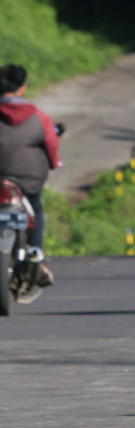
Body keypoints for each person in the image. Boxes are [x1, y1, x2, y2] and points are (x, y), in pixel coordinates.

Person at [0, 64, 60, 287]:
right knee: (35, 210)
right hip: (28, 181)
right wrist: (53, 162)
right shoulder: (38, 117)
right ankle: (36, 255)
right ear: (22, 88)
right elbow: (51, 143)